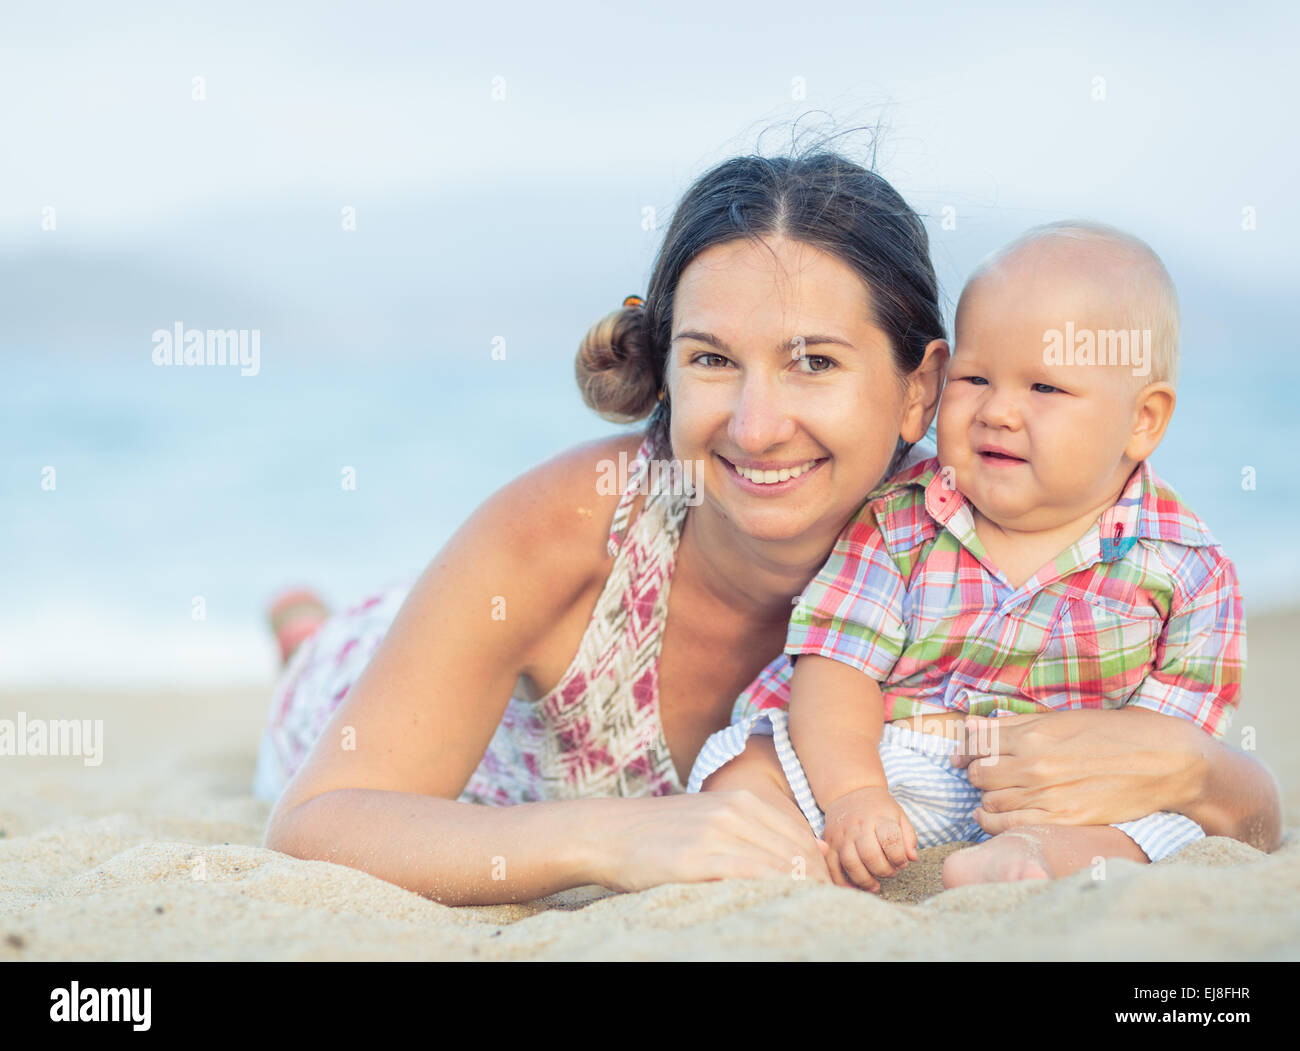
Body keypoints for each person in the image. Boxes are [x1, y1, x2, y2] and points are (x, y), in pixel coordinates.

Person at [255, 144, 1283, 907]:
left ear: (922, 386)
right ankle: (303, 630)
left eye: (814, 361)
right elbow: (316, 821)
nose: (754, 424)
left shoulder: (987, 525)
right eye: (710, 359)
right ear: (663, 366)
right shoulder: (572, 527)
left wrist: (1194, 769)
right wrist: (618, 839)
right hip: (368, 694)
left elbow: (1236, 811)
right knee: (323, 664)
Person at [688, 221, 1252, 891]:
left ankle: (1035, 859)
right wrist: (854, 793)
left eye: (1044, 388)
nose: (999, 412)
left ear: (1143, 420)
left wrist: (1080, 805)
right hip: (896, 759)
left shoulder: (1188, 569)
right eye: (977, 377)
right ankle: (789, 851)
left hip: (1061, 790)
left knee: (1171, 824)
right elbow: (836, 668)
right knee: (743, 760)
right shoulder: (901, 516)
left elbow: (1163, 751)